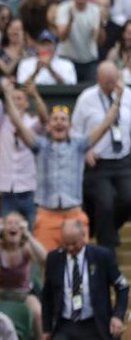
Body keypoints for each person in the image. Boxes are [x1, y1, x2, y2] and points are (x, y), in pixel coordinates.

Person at [2, 79, 121, 251]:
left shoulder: (79, 146)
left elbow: (104, 126)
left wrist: (117, 99)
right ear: (49, 126)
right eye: (55, 119)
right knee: (47, 267)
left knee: (79, 268)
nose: (59, 122)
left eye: (63, 119)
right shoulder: (40, 146)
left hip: (73, 214)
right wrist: (6, 94)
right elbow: (18, 124)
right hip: (46, 216)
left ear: (70, 126)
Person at [72, 61, 131, 253]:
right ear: (98, 80)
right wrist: (86, 149)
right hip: (98, 162)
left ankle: (107, 231)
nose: (111, 86)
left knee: (128, 199)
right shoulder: (86, 98)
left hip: (123, 158)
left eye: (114, 82)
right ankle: (108, 251)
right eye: (107, 82)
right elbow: (75, 130)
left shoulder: (128, 95)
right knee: (105, 204)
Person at [41, 220, 129, 340]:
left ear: (83, 236)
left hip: (95, 324)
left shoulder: (102, 256)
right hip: (65, 325)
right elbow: (47, 295)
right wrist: (46, 328)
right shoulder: (54, 258)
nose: (71, 248)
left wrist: (117, 316)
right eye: (66, 244)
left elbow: (122, 286)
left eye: (74, 243)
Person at [0, 74, 48, 228]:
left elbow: (44, 119)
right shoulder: (2, 121)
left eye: (19, 98)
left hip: (29, 188)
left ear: (27, 103)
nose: (15, 101)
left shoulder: (32, 123)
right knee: (6, 233)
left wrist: (35, 95)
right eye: (13, 98)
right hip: (7, 190)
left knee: (33, 232)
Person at [0, 212, 46, 339]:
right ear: (3, 228)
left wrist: (28, 234)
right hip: (0, 294)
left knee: (37, 312)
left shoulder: (25, 248)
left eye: (17, 223)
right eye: (9, 223)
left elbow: (44, 257)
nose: (13, 226)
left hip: (23, 294)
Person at [56, 0, 102, 82]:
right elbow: (61, 37)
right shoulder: (63, 8)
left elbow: (97, 40)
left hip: (89, 60)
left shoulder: (95, 10)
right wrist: (70, 21)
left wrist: (101, 26)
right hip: (67, 59)